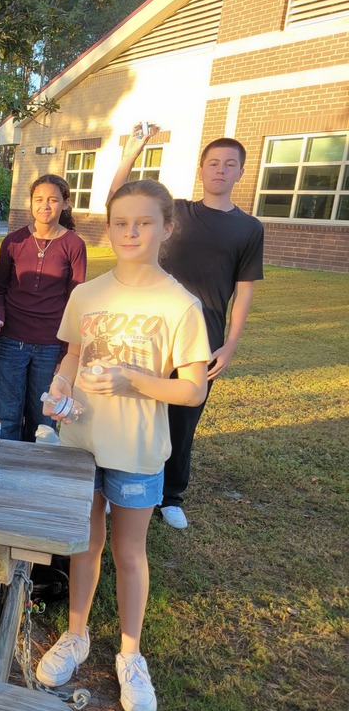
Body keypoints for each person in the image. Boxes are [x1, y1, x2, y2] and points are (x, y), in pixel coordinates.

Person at [35, 179, 210, 711]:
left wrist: (135, 379)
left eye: (144, 222)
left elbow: (192, 389)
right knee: (83, 546)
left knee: (129, 554)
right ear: (107, 227)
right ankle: (77, 635)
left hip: (136, 450)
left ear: (167, 228)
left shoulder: (180, 304)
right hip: (80, 443)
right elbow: (72, 357)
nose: (131, 232)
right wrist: (60, 388)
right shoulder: (88, 293)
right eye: (120, 222)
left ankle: (130, 654)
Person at [109, 131, 264, 529]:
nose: (220, 170)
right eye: (213, 163)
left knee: (183, 415)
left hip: (202, 335)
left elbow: (243, 290)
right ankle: (118, 483)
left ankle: (170, 495)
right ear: (200, 170)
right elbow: (120, 198)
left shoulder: (248, 229)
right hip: (151, 329)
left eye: (230, 164)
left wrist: (230, 344)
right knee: (134, 406)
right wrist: (131, 153)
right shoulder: (176, 212)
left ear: (240, 173)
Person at [0, 174, 87, 441]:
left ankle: (36, 477)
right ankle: (7, 473)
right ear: (31, 203)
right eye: (39, 200)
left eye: (53, 200)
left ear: (65, 204)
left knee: (43, 419)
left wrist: (66, 355)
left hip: (50, 346)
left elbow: (76, 301)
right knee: (6, 416)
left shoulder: (74, 245)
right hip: (11, 342)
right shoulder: (13, 242)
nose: (45, 206)